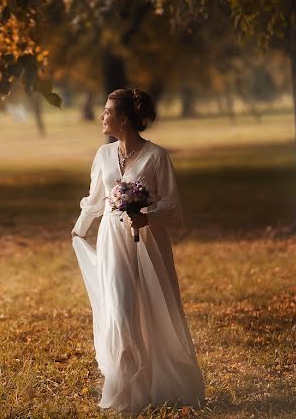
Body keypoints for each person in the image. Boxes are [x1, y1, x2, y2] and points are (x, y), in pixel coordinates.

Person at [70, 88, 205, 414]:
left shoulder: (156, 157)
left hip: (149, 244)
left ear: (124, 119)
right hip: (112, 243)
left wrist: (145, 217)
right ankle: (127, 388)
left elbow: (173, 207)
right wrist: (78, 228)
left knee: (155, 307)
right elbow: (95, 199)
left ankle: (164, 385)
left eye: (107, 112)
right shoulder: (103, 157)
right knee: (120, 309)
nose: (102, 116)